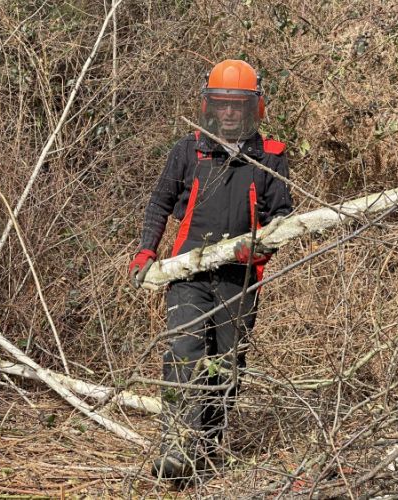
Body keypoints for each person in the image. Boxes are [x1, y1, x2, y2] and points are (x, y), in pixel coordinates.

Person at [129, 59, 293, 481]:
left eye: (238, 105)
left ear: (254, 107)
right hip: (187, 273)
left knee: (227, 365)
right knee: (183, 352)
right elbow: (160, 202)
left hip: (240, 278)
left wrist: (259, 249)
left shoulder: (271, 157)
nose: (230, 112)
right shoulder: (188, 150)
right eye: (222, 104)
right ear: (210, 106)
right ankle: (176, 447)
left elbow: (283, 218)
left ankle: (206, 445)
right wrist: (146, 251)